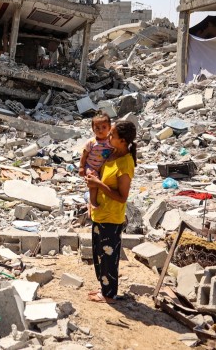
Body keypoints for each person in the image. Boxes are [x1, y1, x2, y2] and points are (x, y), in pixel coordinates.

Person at [84, 120, 137, 304]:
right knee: (100, 255)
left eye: (112, 135)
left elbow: (122, 196)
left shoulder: (125, 163)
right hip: (100, 212)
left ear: (122, 141)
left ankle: (109, 294)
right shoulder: (113, 153)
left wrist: (98, 184)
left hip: (112, 217)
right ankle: (104, 288)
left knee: (109, 257)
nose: (108, 137)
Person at [79, 111, 113, 209]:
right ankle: (92, 201)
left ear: (109, 128)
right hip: (91, 166)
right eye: (97, 128)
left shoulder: (111, 141)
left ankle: (104, 200)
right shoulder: (91, 142)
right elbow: (84, 155)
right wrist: (82, 167)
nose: (100, 130)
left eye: (104, 127)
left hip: (103, 167)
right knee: (93, 184)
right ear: (93, 129)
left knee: (105, 183)